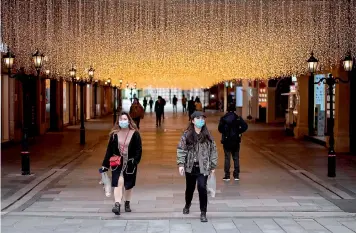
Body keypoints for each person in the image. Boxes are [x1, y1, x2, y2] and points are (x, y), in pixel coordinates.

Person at [177, 111, 218, 222]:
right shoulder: (186, 135)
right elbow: (181, 149)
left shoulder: (208, 135)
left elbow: (213, 151)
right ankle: (187, 204)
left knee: (202, 187)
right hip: (190, 167)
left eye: (203, 119)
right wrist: (181, 164)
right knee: (190, 188)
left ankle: (203, 212)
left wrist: (213, 166)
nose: (201, 121)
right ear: (193, 120)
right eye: (198, 118)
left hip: (203, 167)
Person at [101, 112, 142, 215]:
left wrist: (135, 161)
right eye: (121, 119)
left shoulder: (135, 134)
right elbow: (109, 150)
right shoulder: (114, 135)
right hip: (117, 162)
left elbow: (139, 150)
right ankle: (117, 204)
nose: (122, 121)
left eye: (124, 119)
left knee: (129, 185)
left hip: (130, 163)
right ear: (118, 121)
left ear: (128, 121)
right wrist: (105, 165)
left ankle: (127, 202)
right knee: (118, 182)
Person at [218, 103, 248, 181]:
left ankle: (227, 175)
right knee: (236, 158)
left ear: (227, 109)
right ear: (234, 110)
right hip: (236, 140)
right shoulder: (238, 118)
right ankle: (236, 175)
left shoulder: (223, 118)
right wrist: (239, 131)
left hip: (226, 141)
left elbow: (220, 129)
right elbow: (245, 126)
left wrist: (225, 132)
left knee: (227, 158)